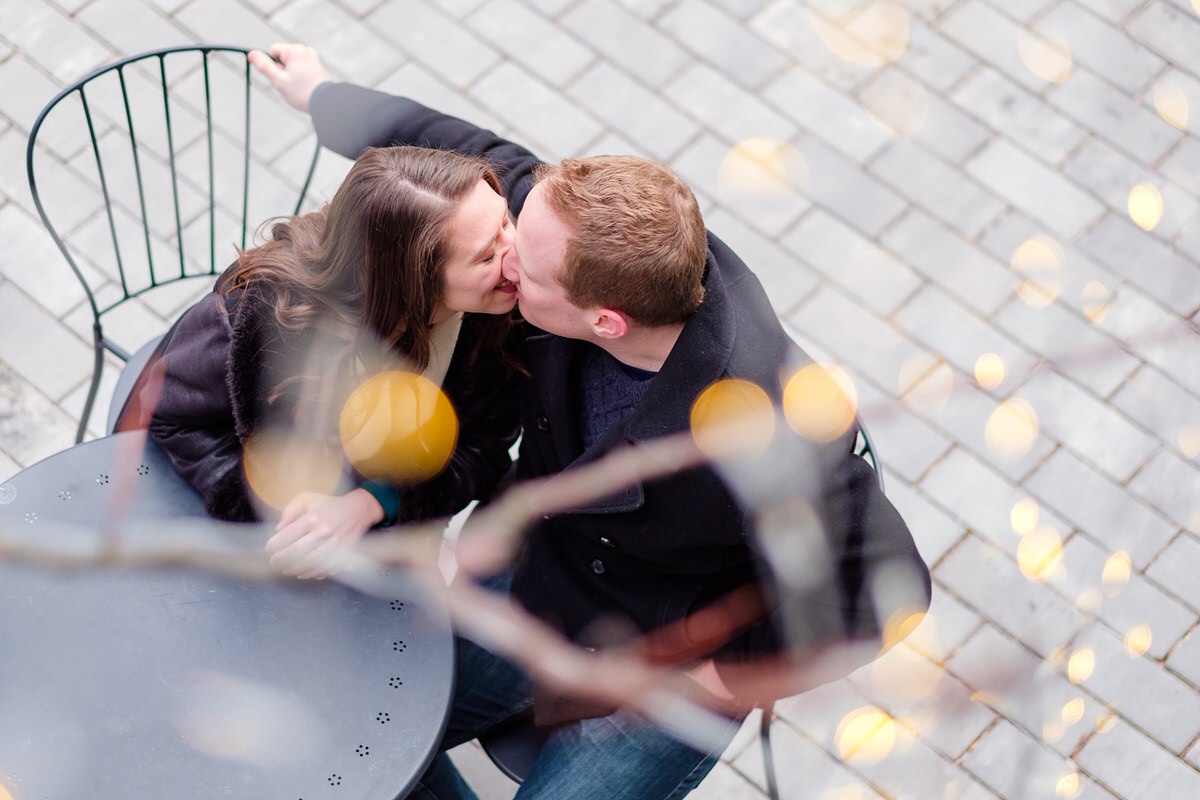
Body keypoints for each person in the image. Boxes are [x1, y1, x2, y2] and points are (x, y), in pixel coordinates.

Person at [250, 45, 931, 798]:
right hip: (534, 579)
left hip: (661, 658)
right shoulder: (566, 230)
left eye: (525, 274)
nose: (504, 261)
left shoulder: (775, 423)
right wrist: (321, 96)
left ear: (604, 320)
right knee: (349, 735)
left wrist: (719, 679)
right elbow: (463, 146)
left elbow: (888, 588)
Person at [117, 145, 525, 577]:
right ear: (411, 280)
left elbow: (483, 447)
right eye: (486, 255)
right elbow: (171, 418)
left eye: (506, 221)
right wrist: (276, 517)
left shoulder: (505, 311)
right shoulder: (260, 318)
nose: (517, 254)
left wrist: (371, 505)